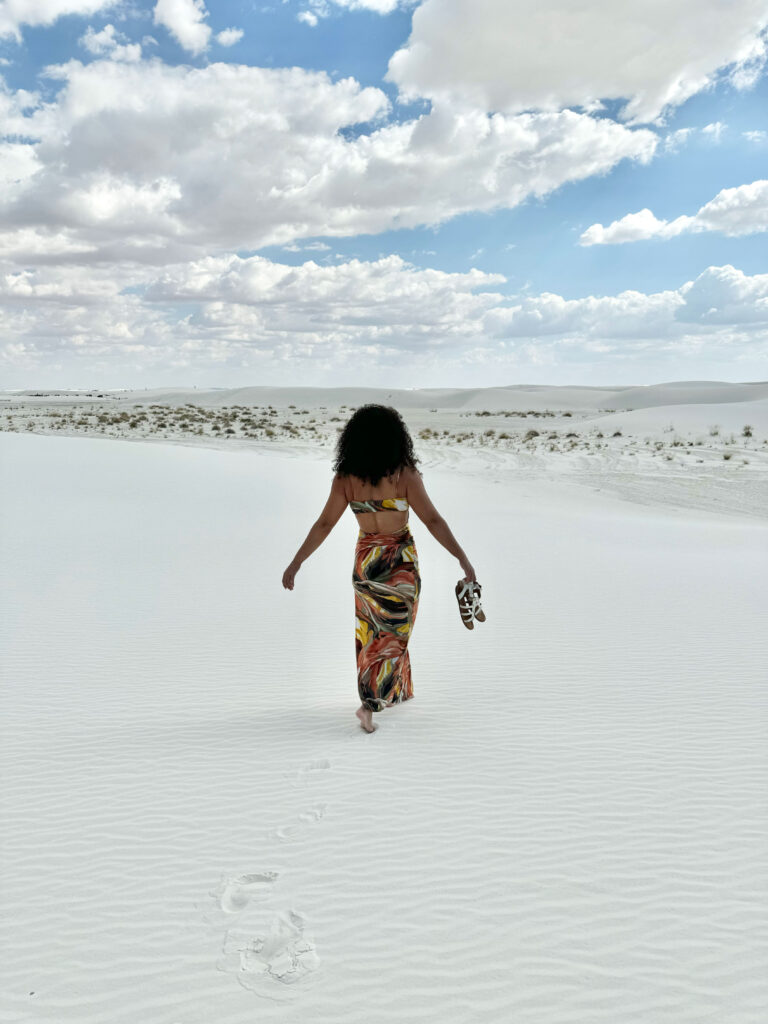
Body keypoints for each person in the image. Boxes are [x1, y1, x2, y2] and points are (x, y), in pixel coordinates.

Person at [282, 404, 476, 733]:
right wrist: (462, 557)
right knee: (397, 632)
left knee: (371, 634)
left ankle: (396, 691)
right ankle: (368, 705)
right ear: (395, 437)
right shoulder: (403, 474)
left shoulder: (346, 478)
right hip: (400, 562)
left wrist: (297, 561)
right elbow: (432, 520)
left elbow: (325, 523)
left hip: (367, 564)